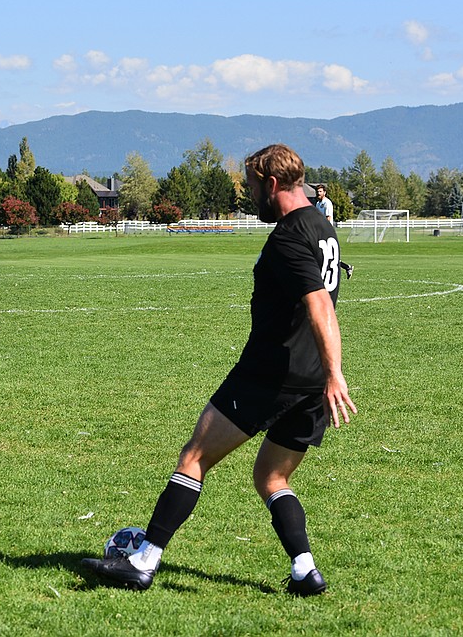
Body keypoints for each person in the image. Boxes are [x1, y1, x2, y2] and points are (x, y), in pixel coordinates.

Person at [82, 144, 358, 597]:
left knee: (194, 458)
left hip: (272, 373)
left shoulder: (289, 235)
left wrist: (337, 372)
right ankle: (305, 570)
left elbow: (319, 305)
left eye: (251, 187)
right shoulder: (321, 225)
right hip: (308, 382)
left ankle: (145, 560)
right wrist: (325, 374)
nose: (251, 197)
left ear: (271, 184)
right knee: (271, 477)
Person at [314, 184, 353, 279]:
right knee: (326, 255)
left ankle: (343, 268)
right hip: (320, 231)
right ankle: (347, 267)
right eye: (317, 191)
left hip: (326, 231)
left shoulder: (327, 203)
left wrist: (324, 231)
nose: (318, 193)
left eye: (320, 191)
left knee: (326, 255)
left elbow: (328, 218)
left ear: (324, 192)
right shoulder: (318, 204)